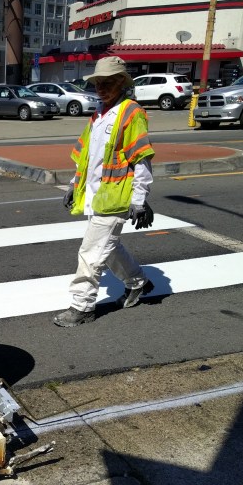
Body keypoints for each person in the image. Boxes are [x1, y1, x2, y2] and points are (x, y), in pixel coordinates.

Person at [53, 56, 155, 328]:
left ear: (122, 82)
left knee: (90, 253)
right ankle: (138, 282)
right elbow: (86, 157)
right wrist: (74, 185)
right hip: (97, 196)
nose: (101, 87)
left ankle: (81, 306)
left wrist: (139, 200)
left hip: (116, 198)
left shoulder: (131, 113)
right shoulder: (98, 114)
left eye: (108, 82)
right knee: (108, 249)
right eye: (98, 82)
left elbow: (141, 160)